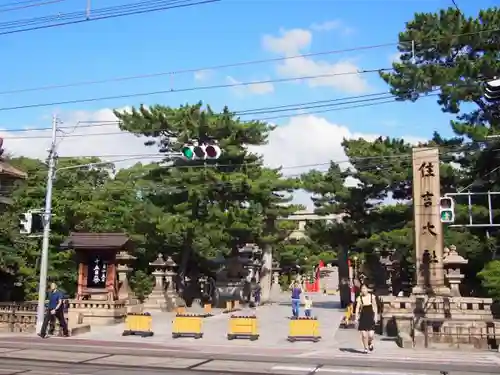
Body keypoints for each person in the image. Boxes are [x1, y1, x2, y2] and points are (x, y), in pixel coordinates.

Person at [354, 284, 378, 353]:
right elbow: (357, 308)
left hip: (370, 317)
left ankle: (370, 342)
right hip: (363, 317)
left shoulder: (372, 297)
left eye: (365, 288)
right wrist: (356, 317)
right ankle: (365, 348)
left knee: (371, 335)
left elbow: (375, 307)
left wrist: (375, 316)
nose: (363, 290)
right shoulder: (359, 298)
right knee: (364, 335)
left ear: (367, 289)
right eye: (362, 289)